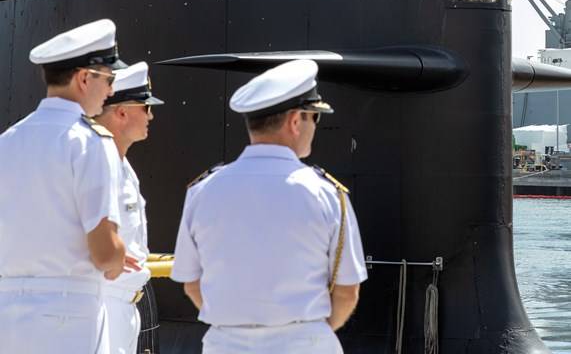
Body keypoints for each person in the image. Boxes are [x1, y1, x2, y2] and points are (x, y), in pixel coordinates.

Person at [171, 59, 367, 354]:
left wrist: (234, 325)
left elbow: (191, 283)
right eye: (314, 117)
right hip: (303, 344)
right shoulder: (326, 195)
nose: (315, 126)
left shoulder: (202, 191)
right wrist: (304, 334)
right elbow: (347, 291)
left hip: (225, 345)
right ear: (295, 120)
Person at [0, 19, 137, 354]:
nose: (110, 92)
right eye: (109, 79)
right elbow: (104, 253)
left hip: (10, 318)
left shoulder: (8, 141)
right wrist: (120, 256)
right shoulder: (91, 143)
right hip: (70, 319)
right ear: (84, 78)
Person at [94, 61, 164, 354]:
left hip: (125, 308)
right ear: (122, 112)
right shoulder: (95, 162)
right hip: (103, 304)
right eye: (145, 107)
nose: (152, 115)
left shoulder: (122, 166)